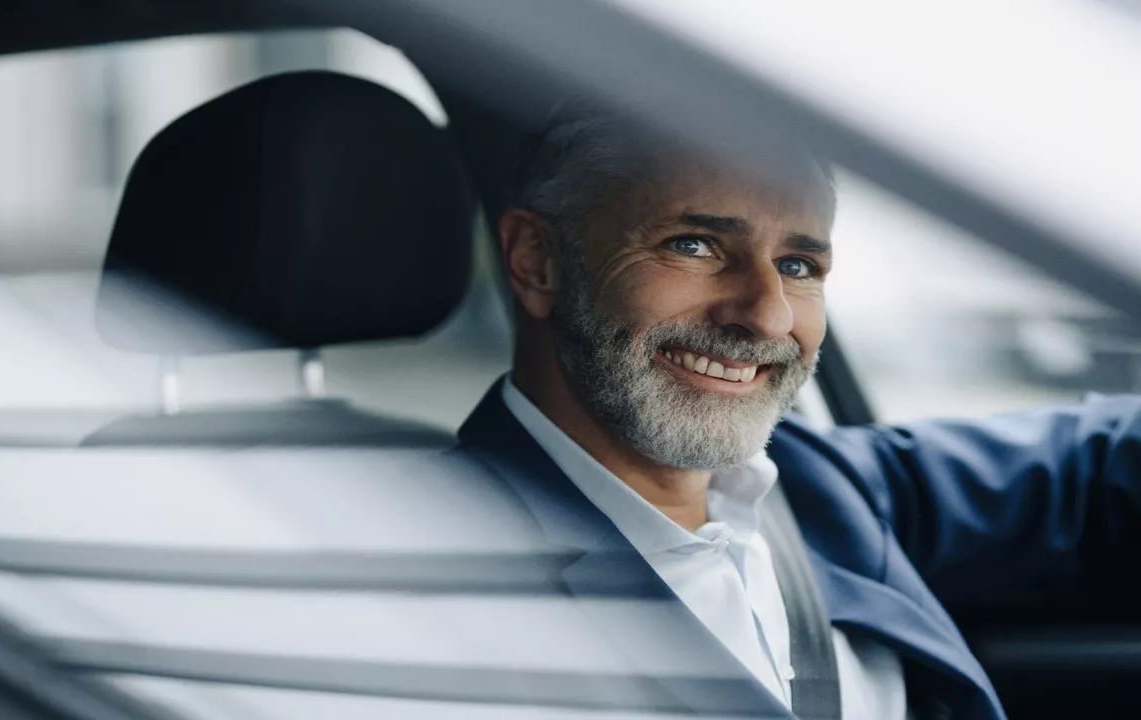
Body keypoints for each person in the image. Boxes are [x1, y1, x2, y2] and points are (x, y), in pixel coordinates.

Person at [452, 104, 1141, 720]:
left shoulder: (816, 489)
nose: (767, 315)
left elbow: (1098, 457)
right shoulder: (435, 575)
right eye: (695, 245)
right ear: (537, 261)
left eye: (800, 265)